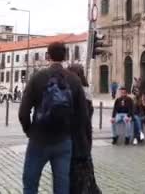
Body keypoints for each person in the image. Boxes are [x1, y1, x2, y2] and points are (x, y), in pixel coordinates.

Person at [19, 42, 91, 194]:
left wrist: (30, 131)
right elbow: (83, 116)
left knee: (30, 183)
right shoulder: (74, 80)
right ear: (65, 56)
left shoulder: (37, 77)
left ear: (47, 56)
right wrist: (70, 133)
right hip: (63, 141)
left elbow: (23, 112)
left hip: (39, 139)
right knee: (61, 186)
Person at [66, 64, 101, 194]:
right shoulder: (86, 93)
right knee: (86, 177)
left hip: (76, 142)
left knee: (78, 178)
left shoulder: (76, 94)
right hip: (84, 140)